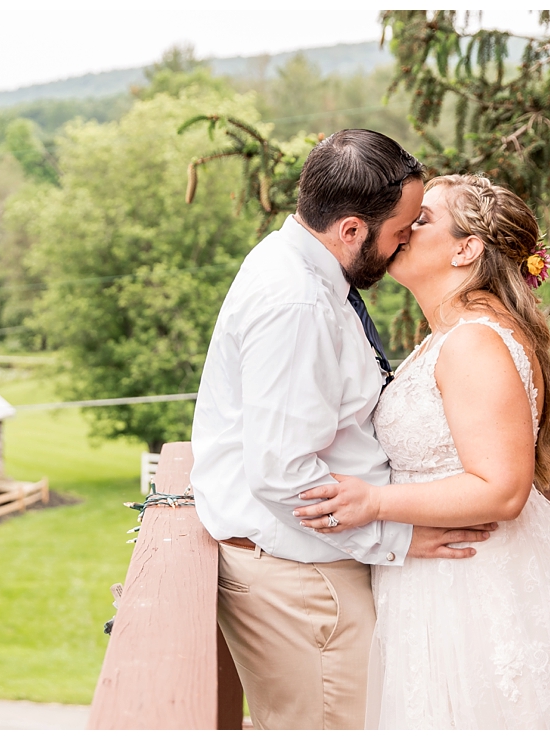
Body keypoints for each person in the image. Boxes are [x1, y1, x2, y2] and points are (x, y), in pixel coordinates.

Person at [292, 174, 550, 729]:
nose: (399, 229)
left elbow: (501, 488)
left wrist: (373, 503)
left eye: (420, 220)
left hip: (475, 583)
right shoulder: (454, 334)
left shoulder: (474, 340)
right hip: (442, 575)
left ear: (467, 249)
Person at [189, 130, 495, 731]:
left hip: (316, 567)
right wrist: (397, 538)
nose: (405, 240)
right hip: (305, 586)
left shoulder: (303, 270)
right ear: (352, 229)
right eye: (401, 229)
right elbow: (284, 473)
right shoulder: (297, 305)